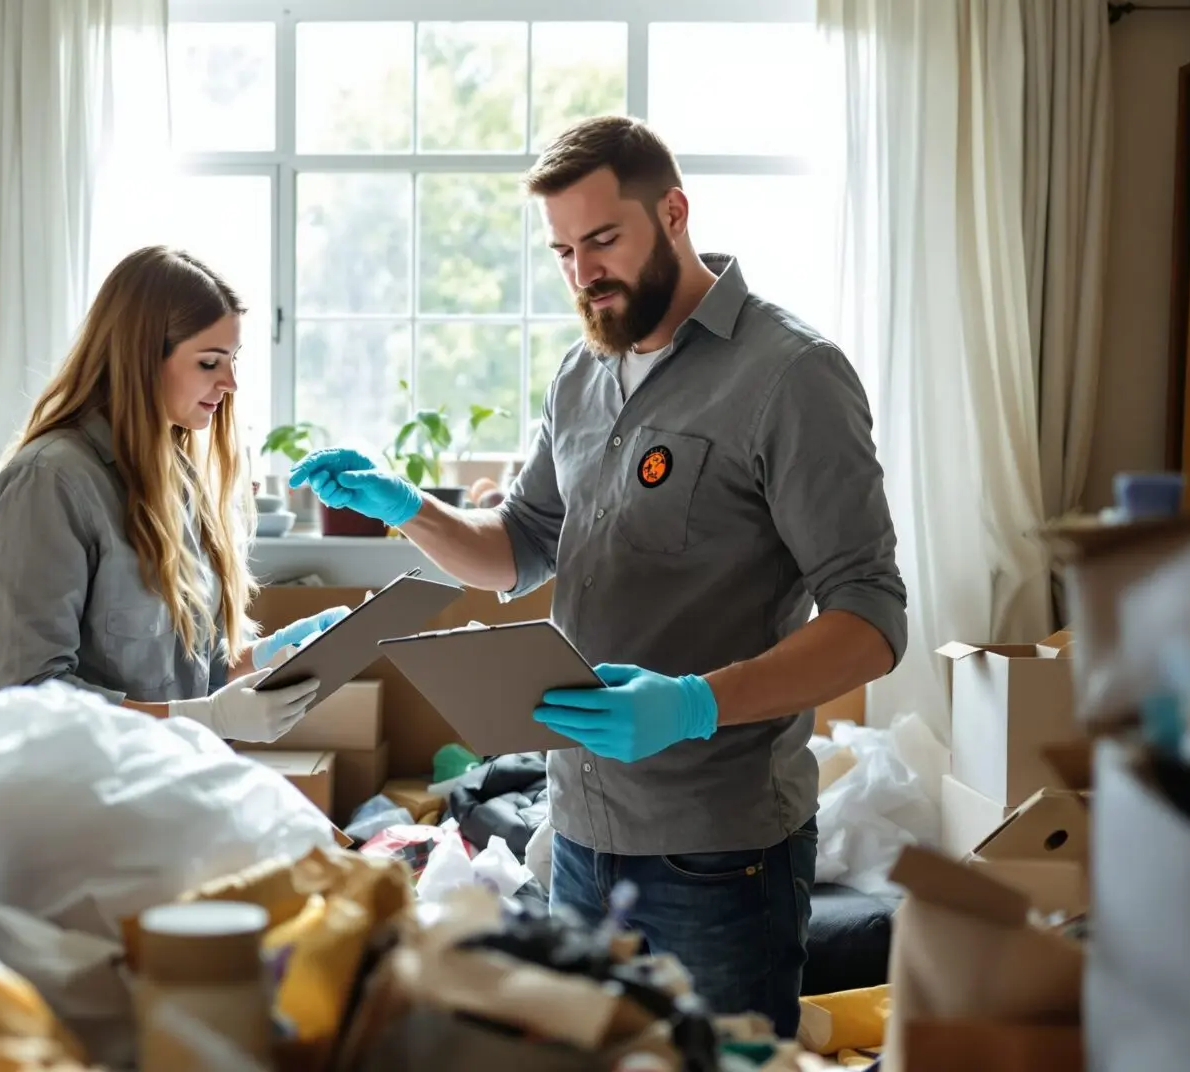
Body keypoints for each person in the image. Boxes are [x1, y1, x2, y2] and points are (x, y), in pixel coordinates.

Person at [291, 117, 905, 1034]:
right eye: (564, 251)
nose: (584, 273)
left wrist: (693, 702)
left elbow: (870, 619)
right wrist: (405, 507)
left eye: (603, 240)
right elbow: (519, 547)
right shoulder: (582, 373)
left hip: (720, 849)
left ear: (675, 211)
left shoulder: (791, 374)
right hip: (576, 825)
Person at [0, 245, 348, 742]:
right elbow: (27, 696)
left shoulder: (174, 478)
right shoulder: (50, 483)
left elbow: (187, 673)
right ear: (142, 358)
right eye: (210, 363)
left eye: (233, 361)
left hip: (158, 786)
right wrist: (204, 720)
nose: (230, 382)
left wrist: (267, 660)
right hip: (66, 799)